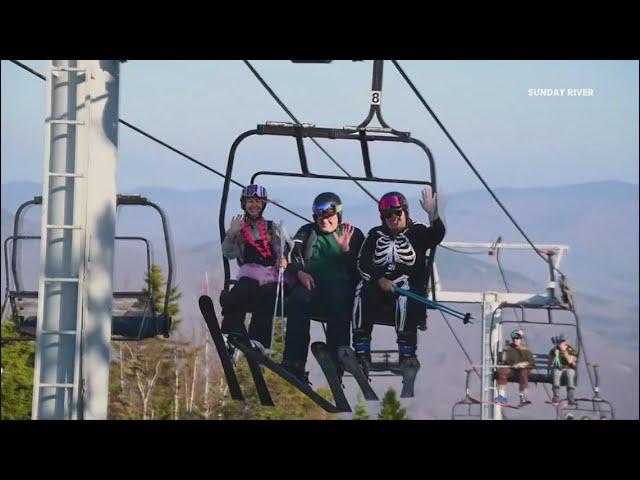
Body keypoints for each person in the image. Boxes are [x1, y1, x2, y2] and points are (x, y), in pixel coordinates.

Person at [353, 187, 445, 379]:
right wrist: (379, 279)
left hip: (407, 285)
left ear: (405, 212)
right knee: (361, 289)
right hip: (379, 285)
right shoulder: (375, 235)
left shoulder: (417, 232)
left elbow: (437, 235)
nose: (393, 218)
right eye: (387, 215)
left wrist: (433, 214)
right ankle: (361, 351)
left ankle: (406, 352)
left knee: (406, 293)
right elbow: (363, 262)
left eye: (397, 213)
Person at [281, 192, 365, 381]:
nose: (324, 221)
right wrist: (300, 272)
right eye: (320, 217)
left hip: (340, 285)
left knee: (339, 299)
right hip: (312, 285)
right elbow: (293, 257)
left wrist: (346, 252)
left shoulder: (353, 234)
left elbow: (361, 270)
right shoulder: (306, 232)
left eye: (329, 217)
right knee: (297, 299)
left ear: (338, 216)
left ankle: (338, 359)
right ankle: (294, 361)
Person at [220, 184, 289, 351]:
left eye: (258, 202)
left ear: (263, 204)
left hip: (271, 274)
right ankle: (232, 333)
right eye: (250, 201)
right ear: (244, 204)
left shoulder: (273, 228)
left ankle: (259, 341)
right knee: (240, 291)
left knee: (266, 295)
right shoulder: (240, 230)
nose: (254, 205)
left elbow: (285, 248)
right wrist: (231, 233)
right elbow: (228, 253)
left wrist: (283, 259)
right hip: (250, 273)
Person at [495, 329, 534, 406]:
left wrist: (522, 364)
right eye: (514, 338)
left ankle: (523, 397)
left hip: (523, 369)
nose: (515, 340)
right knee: (502, 372)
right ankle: (502, 397)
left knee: (523, 373)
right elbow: (503, 360)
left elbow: (531, 362)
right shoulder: (509, 348)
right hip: (512, 369)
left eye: (518, 338)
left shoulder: (525, 348)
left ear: (521, 339)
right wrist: (504, 353)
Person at [549, 334, 578, 404]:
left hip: (568, 369)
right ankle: (556, 397)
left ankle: (570, 398)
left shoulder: (570, 350)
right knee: (556, 373)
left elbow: (572, 361)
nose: (563, 343)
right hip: (558, 368)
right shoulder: (554, 350)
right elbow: (551, 363)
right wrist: (556, 356)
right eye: (562, 342)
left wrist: (566, 353)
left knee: (570, 373)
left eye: (564, 342)